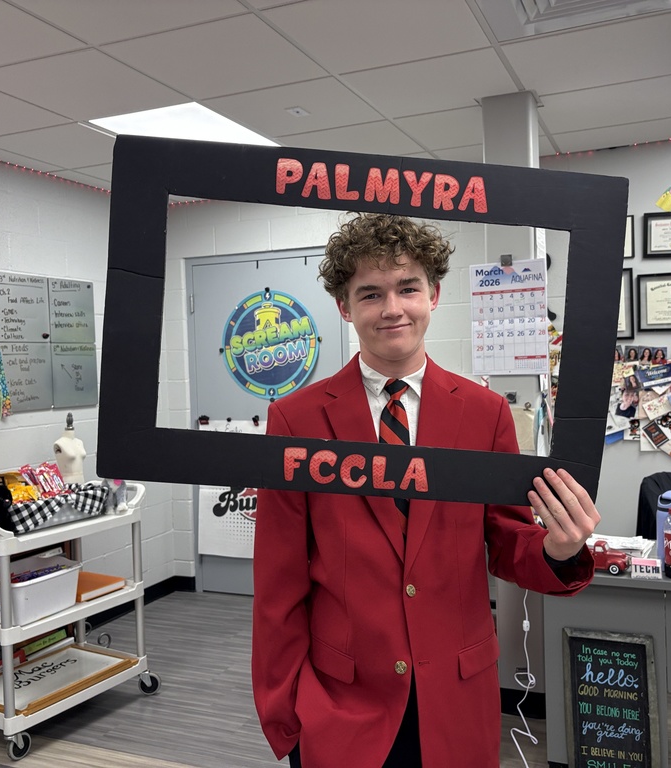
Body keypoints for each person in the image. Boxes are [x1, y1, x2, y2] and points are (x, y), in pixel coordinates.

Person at [252, 214, 600, 768]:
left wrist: (557, 549)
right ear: (345, 308)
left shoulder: (485, 414)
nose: (392, 308)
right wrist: (285, 711)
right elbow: (278, 581)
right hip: (342, 702)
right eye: (370, 294)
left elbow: (506, 539)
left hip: (456, 697)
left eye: (408, 288)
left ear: (433, 294)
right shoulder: (295, 419)